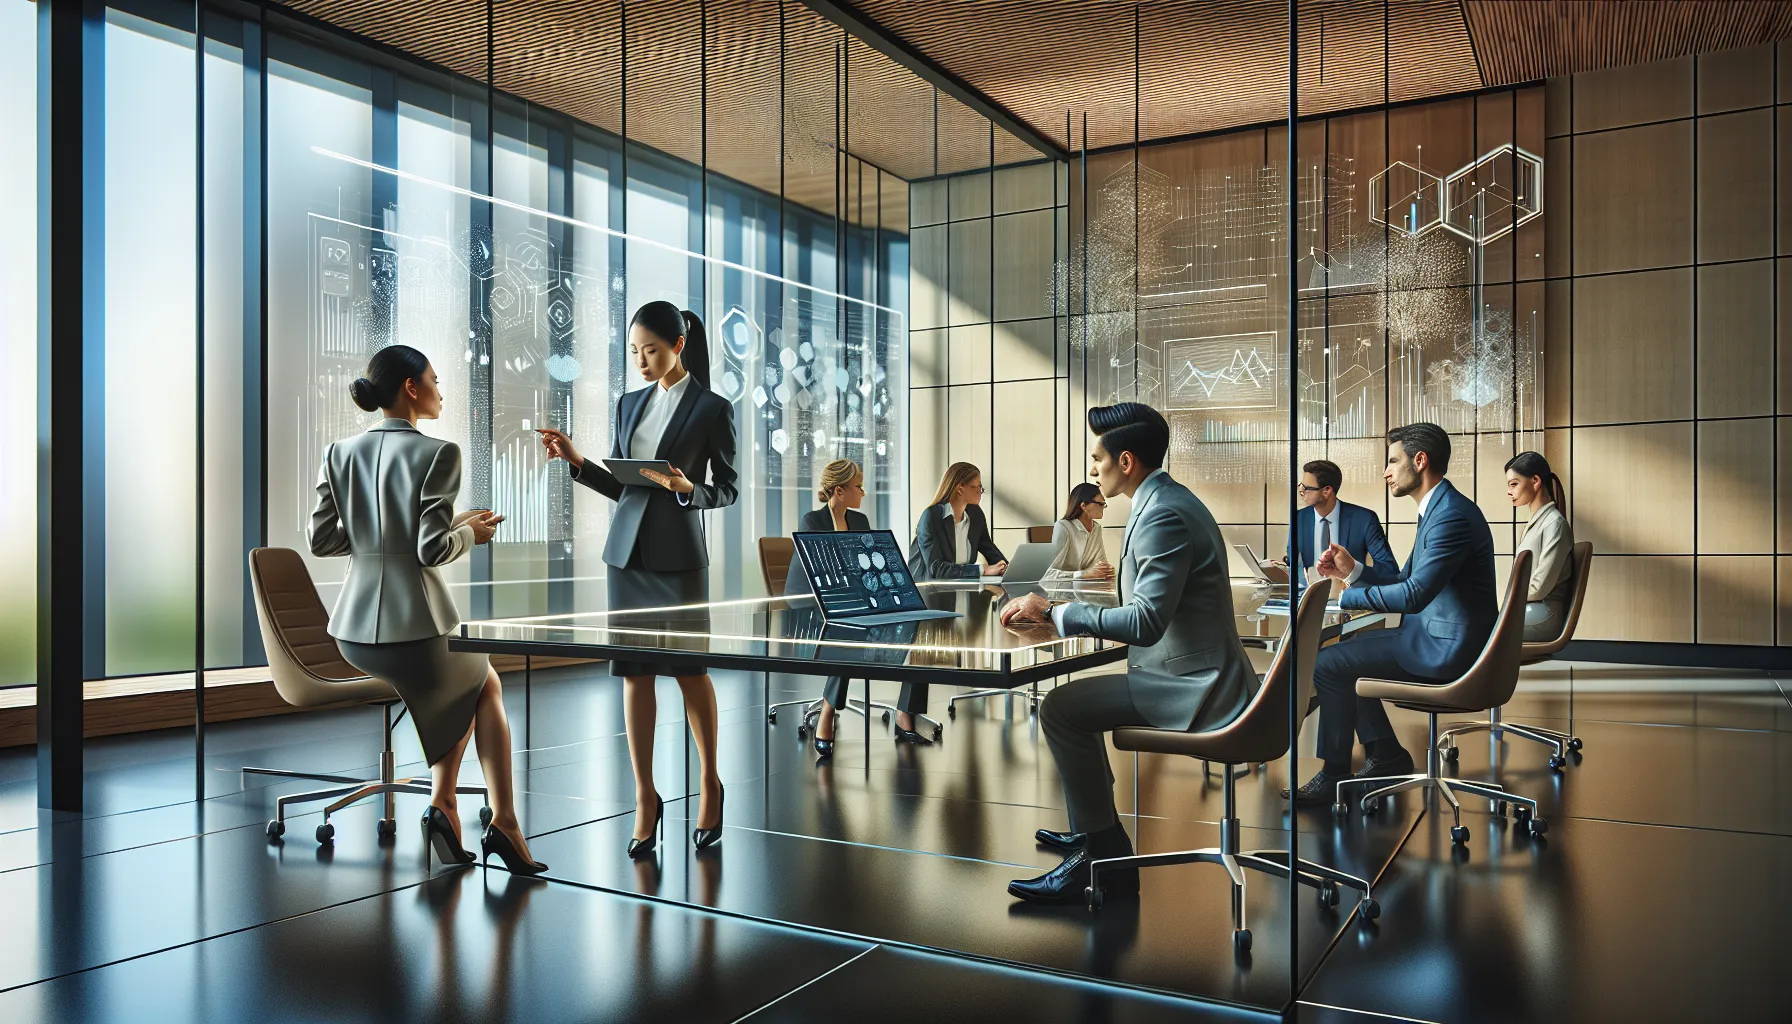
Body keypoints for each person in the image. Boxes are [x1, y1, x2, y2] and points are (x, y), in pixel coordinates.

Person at [999, 403, 1257, 903]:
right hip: (1196, 670)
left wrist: (1059, 612)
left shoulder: (1163, 515)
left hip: (1196, 687)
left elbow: (1144, 621)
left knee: (1061, 708)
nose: (1092, 470)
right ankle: (1093, 830)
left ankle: (1102, 854)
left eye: (1098, 458)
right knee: (1078, 702)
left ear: (1127, 461)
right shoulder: (1167, 501)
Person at [309, 344, 545, 875]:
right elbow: (429, 550)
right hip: (412, 630)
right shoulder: (439, 453)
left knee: (469, 685)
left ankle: (447, 806)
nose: (442, 389)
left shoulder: (338, 452)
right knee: (483, 682)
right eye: (435, 379)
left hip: (351, 632)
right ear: (411, 388)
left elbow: (323, 540)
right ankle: (499, 820)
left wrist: (383, 534)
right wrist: (470, 533)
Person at [535, 301, 738, 856]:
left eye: (650, 350)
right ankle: (646, 797)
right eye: (634, 352)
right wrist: (578, 461)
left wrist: (686, 490)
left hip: (678, 557)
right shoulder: (628, 404)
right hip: (626, 558)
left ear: (677, 344)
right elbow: (622, 486)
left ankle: (710, 783)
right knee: (635, 676)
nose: (642, 361)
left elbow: (729, 488)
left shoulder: (711, 408)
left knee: (690, 672)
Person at [1288, 423, 1498, 806]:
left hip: (1447, 649)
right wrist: (1352, 571)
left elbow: (1415, 595)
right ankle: (1385, 752)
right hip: (1436, 636)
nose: (1386, 471)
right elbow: (1404, 578)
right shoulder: (1440, 508)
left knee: (1328, 663)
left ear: (1420, 461)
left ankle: (1335, 773)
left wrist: (1344, 599)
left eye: (1392, 460)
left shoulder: (1449, 516)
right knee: (1350, 651)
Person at [900, 462, 1008, 744]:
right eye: (976, 487)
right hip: (925, 594)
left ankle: (911, 711)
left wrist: (1006, 565)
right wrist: (982, 571)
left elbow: (989, 549)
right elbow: (935, 568)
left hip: (960, 592)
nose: (981, 492)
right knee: (925, 651)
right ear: (959, 488)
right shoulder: (930, 518)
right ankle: (904, 716)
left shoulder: (975, 514)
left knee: (971, 634)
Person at [790, 458, 871, 758]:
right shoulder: (812, 521)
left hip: (845, 599)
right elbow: (826, 571)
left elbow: (862, 567)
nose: (863, 493)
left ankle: (907, 713)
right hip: (809, 602)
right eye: (858, 487)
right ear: (840, 490)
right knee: (849, 633)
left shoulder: (860, 522)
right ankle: (827, 712)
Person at [1273, 459, 1398, 588]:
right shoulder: (1298, 518)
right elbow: (1294, 565)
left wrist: (1353, 569)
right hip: (1306, 599)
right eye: (1300, 486)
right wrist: (1277, 570)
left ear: (1326, 491)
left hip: (1350, 599)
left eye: (1306, 488)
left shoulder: (1364, 519)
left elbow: (1390, 573)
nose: (1301, 492)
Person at [1507, 451, 1575, 643]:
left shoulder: (1555, 524)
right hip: (1528, 609)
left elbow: (1539, 588)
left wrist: (1508, 602)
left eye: (1514, 484)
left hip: (1544, 614)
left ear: (1535, 481)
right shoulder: (1536, 523)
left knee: (1481, 627)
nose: (1509, 491)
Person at [1042, 482, 1115, 583]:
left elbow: (1100, 563)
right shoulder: (1063, 527)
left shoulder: (1096, 528)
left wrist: (1106, 570)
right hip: (1063, 591)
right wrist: (1085, 575)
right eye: (1100, 503)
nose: (1104, 507)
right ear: (1084, 506)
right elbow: (1048, 574)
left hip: (1086, 589)